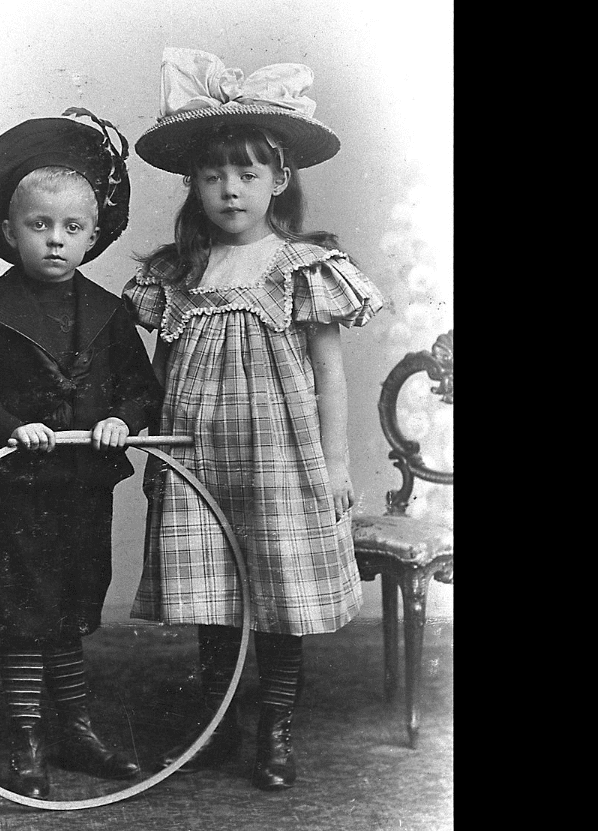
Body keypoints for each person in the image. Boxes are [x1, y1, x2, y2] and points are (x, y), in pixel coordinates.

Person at [123, 48, 385, 791]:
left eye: (246, 174)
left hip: (280, 455)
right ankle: (216, 723)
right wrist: (159, 456)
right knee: (213, 593)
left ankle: (274, 729)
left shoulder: (301, 266)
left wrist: (335, 466)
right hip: (200, 455)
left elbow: (330, 375)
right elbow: (165, 371)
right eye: (213, 175)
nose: (229, 190)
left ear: (280, 179)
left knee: (278, 595)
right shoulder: (180, 272)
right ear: (191, 185)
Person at [0, 109, 163, 799]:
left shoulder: (111, 314)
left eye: (71, 229)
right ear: (9, 230)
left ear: (94, 236)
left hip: (81, 483)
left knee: (70, 607)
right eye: (39, 226)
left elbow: (142, 389)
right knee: (26, 612)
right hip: (13, 489)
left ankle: (76, 725)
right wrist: (7, 424)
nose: (55, 241)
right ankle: (28, 734)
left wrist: (123, 418)